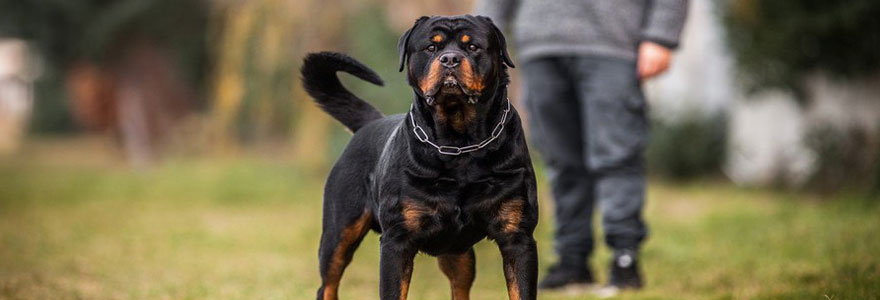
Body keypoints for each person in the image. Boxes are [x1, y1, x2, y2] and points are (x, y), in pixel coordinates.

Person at [475, 0, 689, 292]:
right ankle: (572, 261)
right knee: (559, 159)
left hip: (613, 45)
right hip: (540, 47)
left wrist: (660, 36)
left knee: (616, 155)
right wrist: (479, 41)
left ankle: (624, 259)